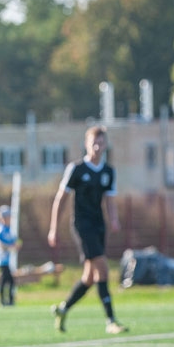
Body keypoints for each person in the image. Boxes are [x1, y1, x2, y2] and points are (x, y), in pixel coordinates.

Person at [47, 125, 127, 335]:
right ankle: (111, 320)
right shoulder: (77, 169)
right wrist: (53, 228)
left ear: (106, 144)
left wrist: (114, 220)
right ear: (86, 144)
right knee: (103, 268)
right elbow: (60, 200)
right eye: (94, 142)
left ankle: (63, 309)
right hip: (82, 225)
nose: (98, 146)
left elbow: (109, 200)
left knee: (90, 277)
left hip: (99, 225)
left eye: (101, 142)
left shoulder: (109, 172)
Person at [0, 205, 19, 307]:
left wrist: (16, 245)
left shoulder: (7, 229)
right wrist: (11, 247)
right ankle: (4, 301)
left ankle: (8, 300)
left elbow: (13, 241)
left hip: (8, 259)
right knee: (6, 279)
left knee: (8, 279)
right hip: (1, 258)